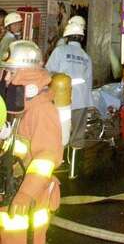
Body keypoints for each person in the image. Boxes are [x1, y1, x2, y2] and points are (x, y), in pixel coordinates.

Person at [0, 40, 63, 243]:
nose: (5, 78)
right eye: (5, 72)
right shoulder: (14, 106)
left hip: (29, 200)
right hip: (9, 189)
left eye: (10, 73)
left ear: (26, 74)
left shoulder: (42, 110)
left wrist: (27, 192)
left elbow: (47, 157)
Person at [45, 20, 93, 145]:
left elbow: (47, 73)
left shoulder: (59, 51)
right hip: (81, 100)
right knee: (77, 137)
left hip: (61, 99)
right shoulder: (86, 57)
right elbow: (88, 83)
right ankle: (75, 161)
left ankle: (58, 158)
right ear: (82, 38)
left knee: (58, 132)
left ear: (66, 37)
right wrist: (89, 104)